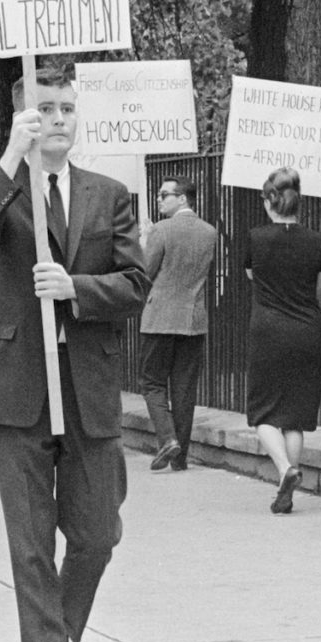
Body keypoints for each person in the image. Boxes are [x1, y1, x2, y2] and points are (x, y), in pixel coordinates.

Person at [0, 67, 149, 642]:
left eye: (67, 107)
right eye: (45, 109)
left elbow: (134, 283)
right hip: (16, 387)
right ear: (21, 117)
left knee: (96, 534)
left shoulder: (108, 194)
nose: (59, 118)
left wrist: (75, 289)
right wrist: (11, 155)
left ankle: (52, 640)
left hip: (87, 387)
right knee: (30, 544)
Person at [245, 167, 321, 515]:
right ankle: (287, 495)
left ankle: (285, 470)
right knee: (294, 416)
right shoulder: (317, 239)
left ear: (270, 200)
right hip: (308, 331)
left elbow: (253, 276)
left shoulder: (255, 238)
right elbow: (320, 289)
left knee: (262, 411)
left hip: (268, 330)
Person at [139, 176, 217, 472]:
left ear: (183, 198)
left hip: (160, 318)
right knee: (185, 388)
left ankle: (168, 438)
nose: (159, 199)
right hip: (193, 321)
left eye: (164, 195)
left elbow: (145, 272)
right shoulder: (209, 232)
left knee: (153, 382)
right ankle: (180, 458)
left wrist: (144, 242)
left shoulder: (161, 230)